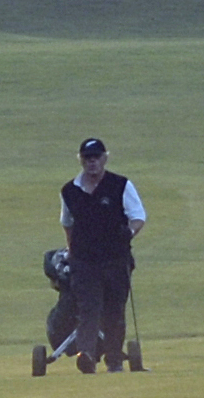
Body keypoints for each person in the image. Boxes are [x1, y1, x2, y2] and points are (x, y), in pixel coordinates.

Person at [56, 136, 144, 371]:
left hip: (116, 259)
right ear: (81, 160)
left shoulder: (121, 185)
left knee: (115, 310)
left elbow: (138, 217)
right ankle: (86, 355)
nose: (92, 162)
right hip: (84, 261)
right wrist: (72, 249)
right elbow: (67, 223)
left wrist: (129, 233)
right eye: (87, 158)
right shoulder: (69, 191)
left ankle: (114, 359)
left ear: (105, 158)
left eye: (96, 157)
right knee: (88, 309)